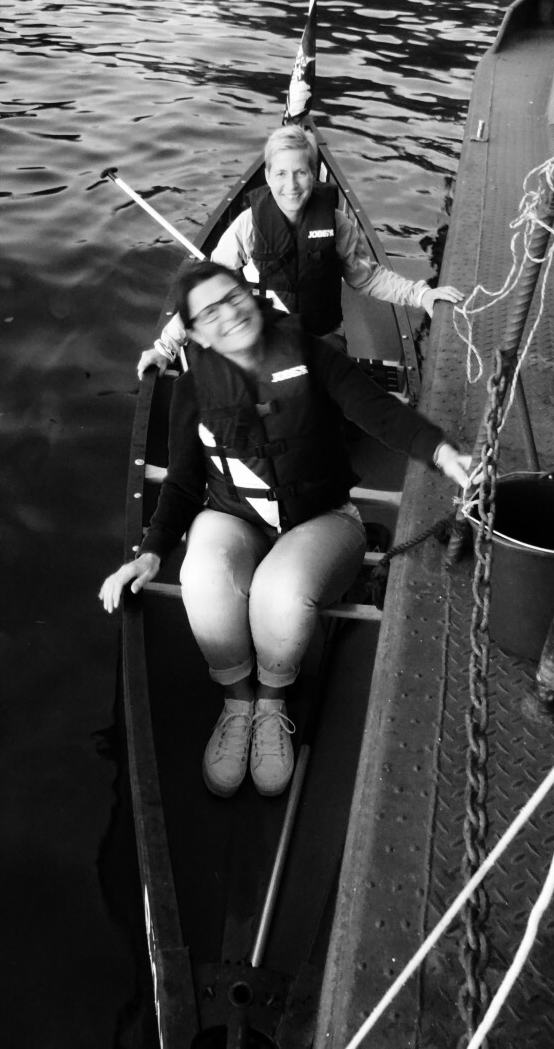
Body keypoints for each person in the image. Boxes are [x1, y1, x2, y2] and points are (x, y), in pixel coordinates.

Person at [101, 261, 470, 799]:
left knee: (281, 591)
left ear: (250, 295)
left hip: (323, 521)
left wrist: (441, 452)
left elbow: (380, 413)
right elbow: (182, 485)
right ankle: (238, 701)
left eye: (233, 297)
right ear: (194, 334)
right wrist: (150, 552)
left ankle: (272, 701)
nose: (229, 314)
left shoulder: (312, 355)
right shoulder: (194, 390)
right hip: (237, 518)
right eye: (210, 313)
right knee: (202, 574)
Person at [136, 125, 465, 378]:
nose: (291, 185)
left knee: (325, 402)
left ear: (313, 175)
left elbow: (367, 278)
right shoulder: (247, 225)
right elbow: (204, 291)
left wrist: (420, 294)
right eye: (281, 173)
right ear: (267, 176)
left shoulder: (338, 225)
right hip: (266, 336)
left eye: (301, 172)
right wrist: (166, 348)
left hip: (323, 335)